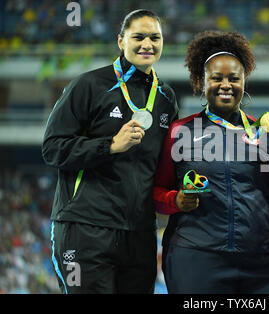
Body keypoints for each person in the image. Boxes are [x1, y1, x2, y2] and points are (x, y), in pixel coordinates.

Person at [42, 9, 178, 293]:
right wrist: (110, 145)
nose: (147, 44)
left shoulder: (165, 97)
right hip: (84, 229)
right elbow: (53, 148)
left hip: (139, 234)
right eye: (138, 37)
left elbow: (165, 165)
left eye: (155, 37)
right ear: (120, 41)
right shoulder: (89, 85)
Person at [153, 30, 269, 293]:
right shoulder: (179, 132)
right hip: (196, 258)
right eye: (216, 78)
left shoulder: (263, 134)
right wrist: (175, 200)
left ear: (244, 81)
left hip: (260, 260)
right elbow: (155, 193)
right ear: (201, 80)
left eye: (234, 78)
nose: (226, 84)